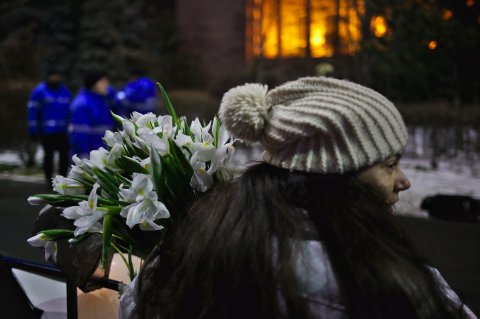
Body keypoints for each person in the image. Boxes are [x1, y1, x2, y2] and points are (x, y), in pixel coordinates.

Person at [119, 77, 477, 318]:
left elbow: (132, 306)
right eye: (389, 164)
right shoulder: (386, 278)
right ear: (337, 176)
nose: (404, 181)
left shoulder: (197, 240)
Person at [27, 68, 72, 186]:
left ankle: (63, 180)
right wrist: (33, 130)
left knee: (64, 156)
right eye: (53, 76)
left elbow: (70, 111)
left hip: (62, 131)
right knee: (49, 156)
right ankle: (48, 180)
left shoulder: (65, 91)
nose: (55, 78)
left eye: (57, 76)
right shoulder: (40, 91)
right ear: (48, 77)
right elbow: (33, 111)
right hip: (47, 131)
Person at [69, 69, 115, 159]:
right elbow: (80, 135)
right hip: (90, 156)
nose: (107, 85)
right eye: (104, 82)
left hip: (102, 153)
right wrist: (84, 159)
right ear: (95, 84)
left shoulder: (101, 100)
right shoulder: (82, 104)